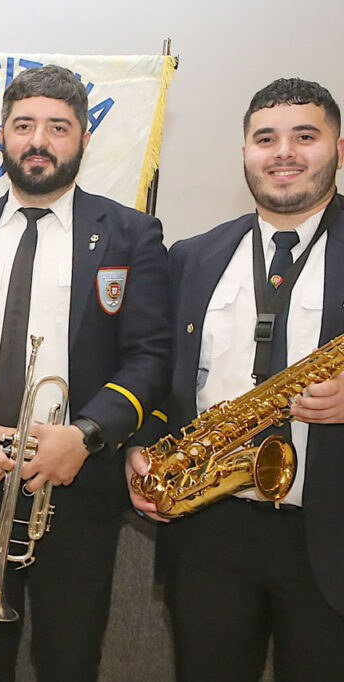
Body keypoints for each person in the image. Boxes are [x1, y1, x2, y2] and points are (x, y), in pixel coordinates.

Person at [0, 65, 171, 682]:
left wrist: (85, 435)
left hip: (77, 479)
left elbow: (150, 355)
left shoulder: (132, 235)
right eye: (24, 125)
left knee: (70, 655)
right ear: (2, 136)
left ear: (84, 138)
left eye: (58, 127)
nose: (39, 141)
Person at [127, 77, 344, 681]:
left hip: (329, 533)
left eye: (305, 136)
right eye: (265, 138)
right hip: (209, 530)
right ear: (245, 151)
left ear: (338, 149)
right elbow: (159, 374)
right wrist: (141, 447)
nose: (283, 153)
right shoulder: (192, 256)